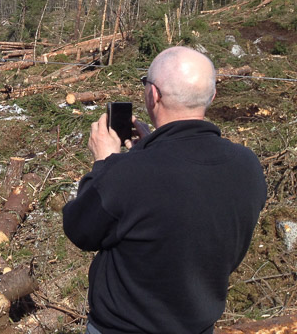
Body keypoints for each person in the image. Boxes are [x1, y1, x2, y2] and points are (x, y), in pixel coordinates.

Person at [62, 46, 266, 334]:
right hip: (199, 326)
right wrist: (154, 145)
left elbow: (79, 229)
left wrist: (104, 162)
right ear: (211, 96)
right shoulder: (248, 165)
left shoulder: (127, 173)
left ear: (153, 94)